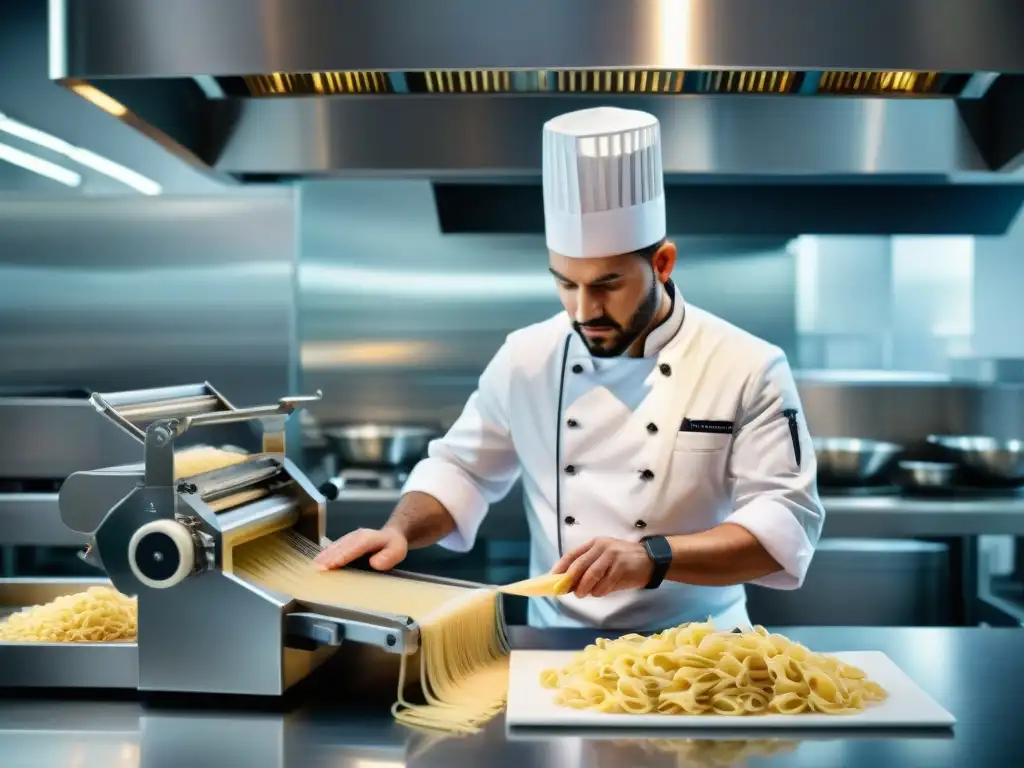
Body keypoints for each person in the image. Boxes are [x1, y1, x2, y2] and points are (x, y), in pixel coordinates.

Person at [315, 106, 825, 630]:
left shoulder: (747, 365)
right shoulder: (527, 357)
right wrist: (400, 530)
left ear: (663, 264)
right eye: (565, 283)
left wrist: (654, 557)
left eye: (607, 285)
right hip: (557, 644)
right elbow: (460, 469)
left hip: (702, 651)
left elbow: (783, 527)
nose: (584, 312)